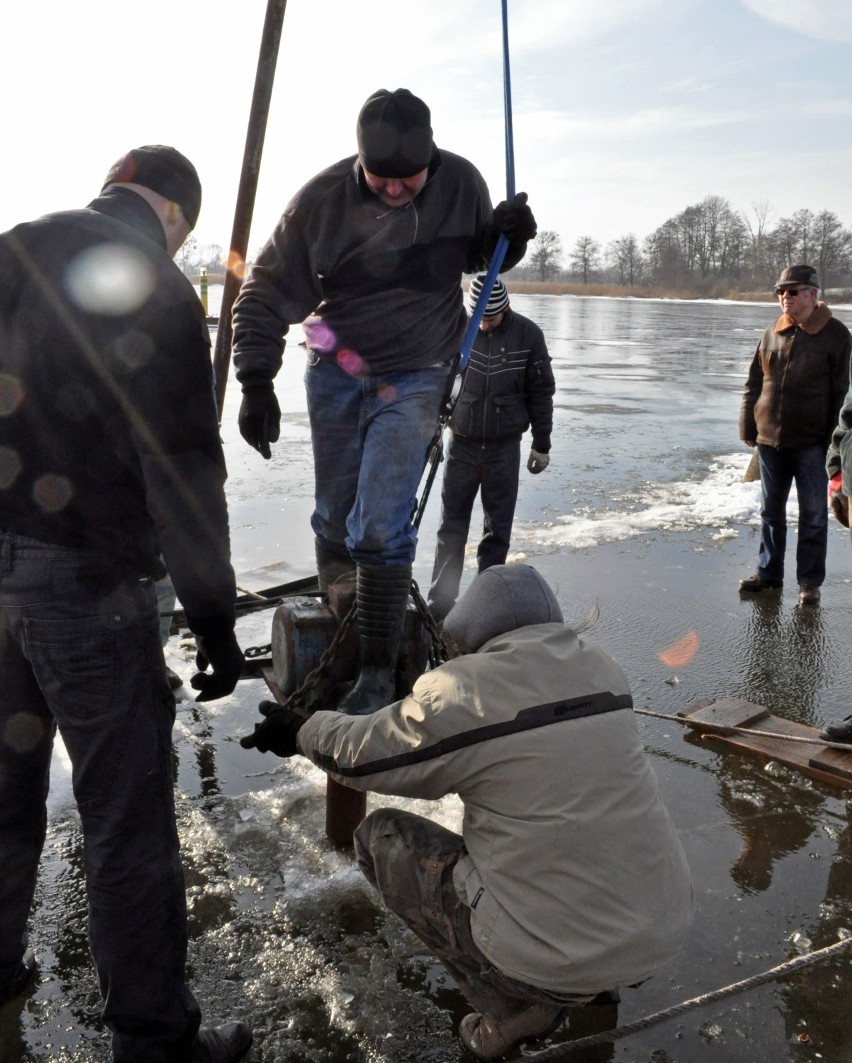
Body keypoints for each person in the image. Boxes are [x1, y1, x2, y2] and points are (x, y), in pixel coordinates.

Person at [0, 146, 251, 1063]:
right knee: (126, 816)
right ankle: (157, 1040)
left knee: (3, 791)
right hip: (87, 588)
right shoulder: (158, 283)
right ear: (178, 214)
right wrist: (214, 618)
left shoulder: (14, 246)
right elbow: (182, 470)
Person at [240, 564, 694, 1061]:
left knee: (379, 838)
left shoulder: (466, 690)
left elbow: (362, 758)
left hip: (554, 952)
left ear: (475, 633)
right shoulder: (605, 669)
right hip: (659, 928)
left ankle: (514, 1007)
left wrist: (299, 730)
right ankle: (597, 982)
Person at [231, 88, 537, 716]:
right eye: (381, 178)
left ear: (432, 157)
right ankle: (337, 633)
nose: (396, 190)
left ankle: (375, 669)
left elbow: (478, 254)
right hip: (336, 365)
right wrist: (256, 379)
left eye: (410, 178)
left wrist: (510, 238)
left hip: (421, 369)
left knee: (381, 524)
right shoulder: (320, 202)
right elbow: (262, 292)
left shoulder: (463, 183)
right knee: (334, 517)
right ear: (358, 159)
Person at [427, 275, 555, 620]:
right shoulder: (457, 332)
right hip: (461, 446)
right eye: (480, 317)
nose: (484, 324)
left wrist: (541, 443)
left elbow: (541, 394)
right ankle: (440, 604)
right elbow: (434, 385)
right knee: (450, 528)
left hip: (504, 448)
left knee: (496, 531)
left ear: (506, 308)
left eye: (491, 318)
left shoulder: (528, 336)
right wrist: (427, 434)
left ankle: (486, 607)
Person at [738, 264, 851, 607]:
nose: (784, 297)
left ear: (813, 294)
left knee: (814, 515)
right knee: (770, 512)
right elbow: (754, 382)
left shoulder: (836, 335)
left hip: (813, 443)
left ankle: (809, 583)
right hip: (770, 440)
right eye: (780, 292)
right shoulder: (773, 332)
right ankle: (769, 574)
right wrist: (748, 425)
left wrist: (836, 444)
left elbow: (843, 393)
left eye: (792, 291)